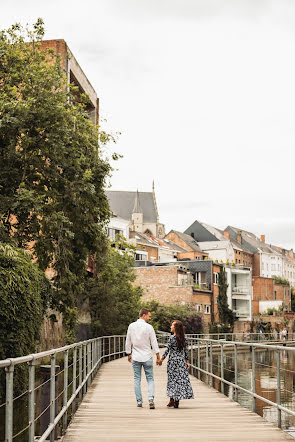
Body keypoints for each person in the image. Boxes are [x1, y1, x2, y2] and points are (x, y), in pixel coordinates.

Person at [125, 308, 161, 409]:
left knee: (137, 379)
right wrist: (158, 357)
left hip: (136, 356)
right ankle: (150, 399)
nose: (150, 318)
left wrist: (129, 353)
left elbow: (128, 341)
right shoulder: (149, 327)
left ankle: (139, 402)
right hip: (147, 356)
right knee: (150, 379)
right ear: (144, 315)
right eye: (149, 316)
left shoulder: (131, 326)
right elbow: (154, 342)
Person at [159, 320, 194, 408]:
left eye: (172, 326)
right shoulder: (184, 339)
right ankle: (176, 401)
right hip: (181, 362)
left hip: (172, 362)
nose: (170, 327)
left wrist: (161, 359)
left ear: (175, 328)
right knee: (179, 380)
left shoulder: (171, 338)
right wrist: (187, 361)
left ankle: (172, 399)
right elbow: (186, 352)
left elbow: (167, 350)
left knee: (172, 380)